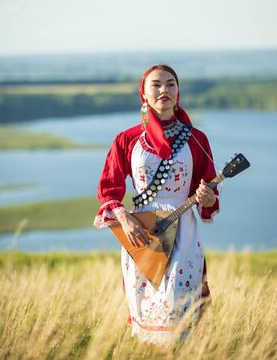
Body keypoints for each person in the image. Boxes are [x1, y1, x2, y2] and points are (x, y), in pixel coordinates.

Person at [94, 64, 219, 344]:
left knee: (179, 304)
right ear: (144, 93)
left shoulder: (197, 140)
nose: (164, 90)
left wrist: (208, 197)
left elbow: (209, 191)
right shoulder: (126, 139)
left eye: (171, 84)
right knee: (145, 306)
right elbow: (109, 188)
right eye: (156, 84)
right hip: (142, 233)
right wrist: (124, 219)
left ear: (178, 92)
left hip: (183, 233)